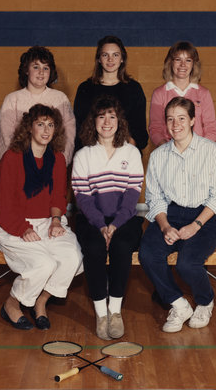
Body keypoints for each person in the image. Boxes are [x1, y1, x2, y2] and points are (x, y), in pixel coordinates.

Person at [139, 97, 216, 333]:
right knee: (148, 255)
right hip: (169, 214)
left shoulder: (212, 151)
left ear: (192, 120)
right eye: (170, 119)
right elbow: (154, 197)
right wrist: (164, 226)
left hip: (203, 216)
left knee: (187, 264)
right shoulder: (159, 156)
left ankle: (204, 300)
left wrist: (196, 225)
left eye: (181, 118)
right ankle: (179, 304)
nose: (175, 124)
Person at [0, 103, 83, 330]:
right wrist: (23, 228)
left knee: (73, 256)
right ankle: (12, 304)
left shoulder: (57, 158)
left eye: (51, 125)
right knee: (43, 264)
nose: (46, 130)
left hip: (47, 222)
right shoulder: (12, 158)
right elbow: (4, 204)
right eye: (40, 124)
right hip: (14, 225)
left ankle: (40, 302)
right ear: (29, 128)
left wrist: (55, 221)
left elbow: (58, 198)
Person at [72, 95, 144, 340]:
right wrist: (102, 226)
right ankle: (101, 313)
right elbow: (83, 199)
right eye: (101, 116)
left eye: (112, 116)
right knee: (93, 249)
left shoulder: (132, 152)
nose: (106, 121)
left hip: (124, 219)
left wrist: (114, 225)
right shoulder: (83, 155)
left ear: (119, 120)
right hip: (92, 220)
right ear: (93, 121)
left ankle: (115, 311)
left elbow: (131, 197)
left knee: (122, 247)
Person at [0, 46, 75, 165]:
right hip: (20, 166)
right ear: (27, 70)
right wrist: (15, 164)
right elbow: (4, 136)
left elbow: (69, 134)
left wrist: (61, 162)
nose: (41, 72)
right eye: (36, 67)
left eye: (46, 68)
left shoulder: (60, 99)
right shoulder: (12, 100)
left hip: (52, 165)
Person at [74, 35, 148, 152]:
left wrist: (126, 153)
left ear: (122, 58)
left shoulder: (134, 89)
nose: (110, 59)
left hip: (125, 153)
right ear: (99, 59)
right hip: (92, 152)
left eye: (115, 55)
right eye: (105, 55)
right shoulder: (85, 88)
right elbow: (80, 129)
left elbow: (139, 131)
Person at [149, 41, 216, 147]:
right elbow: (155, 129)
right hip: (169, 152)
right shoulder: (159, 93)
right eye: (178, 59)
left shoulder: (203, 93)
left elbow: (211, 129)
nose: (183, 65)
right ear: (170, 62)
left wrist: (199, 149)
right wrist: (168, 149)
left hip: (199, 153)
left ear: (193, 64)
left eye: (188, 60)